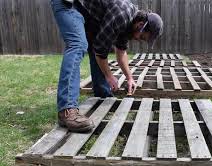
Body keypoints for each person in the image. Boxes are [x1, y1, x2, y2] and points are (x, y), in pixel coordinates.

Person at [50, 0, 163, 133]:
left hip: (86, 12)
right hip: (70, 4)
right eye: (143, 37)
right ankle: (67, 110)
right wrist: (109, 77)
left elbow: (121, 52)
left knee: (96, 44)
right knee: (78, 45)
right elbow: (101, 52)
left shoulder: (129, 23)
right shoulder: (122, 15)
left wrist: (130, 78)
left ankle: (102, 93)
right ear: (141, 25)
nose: (140, 40)